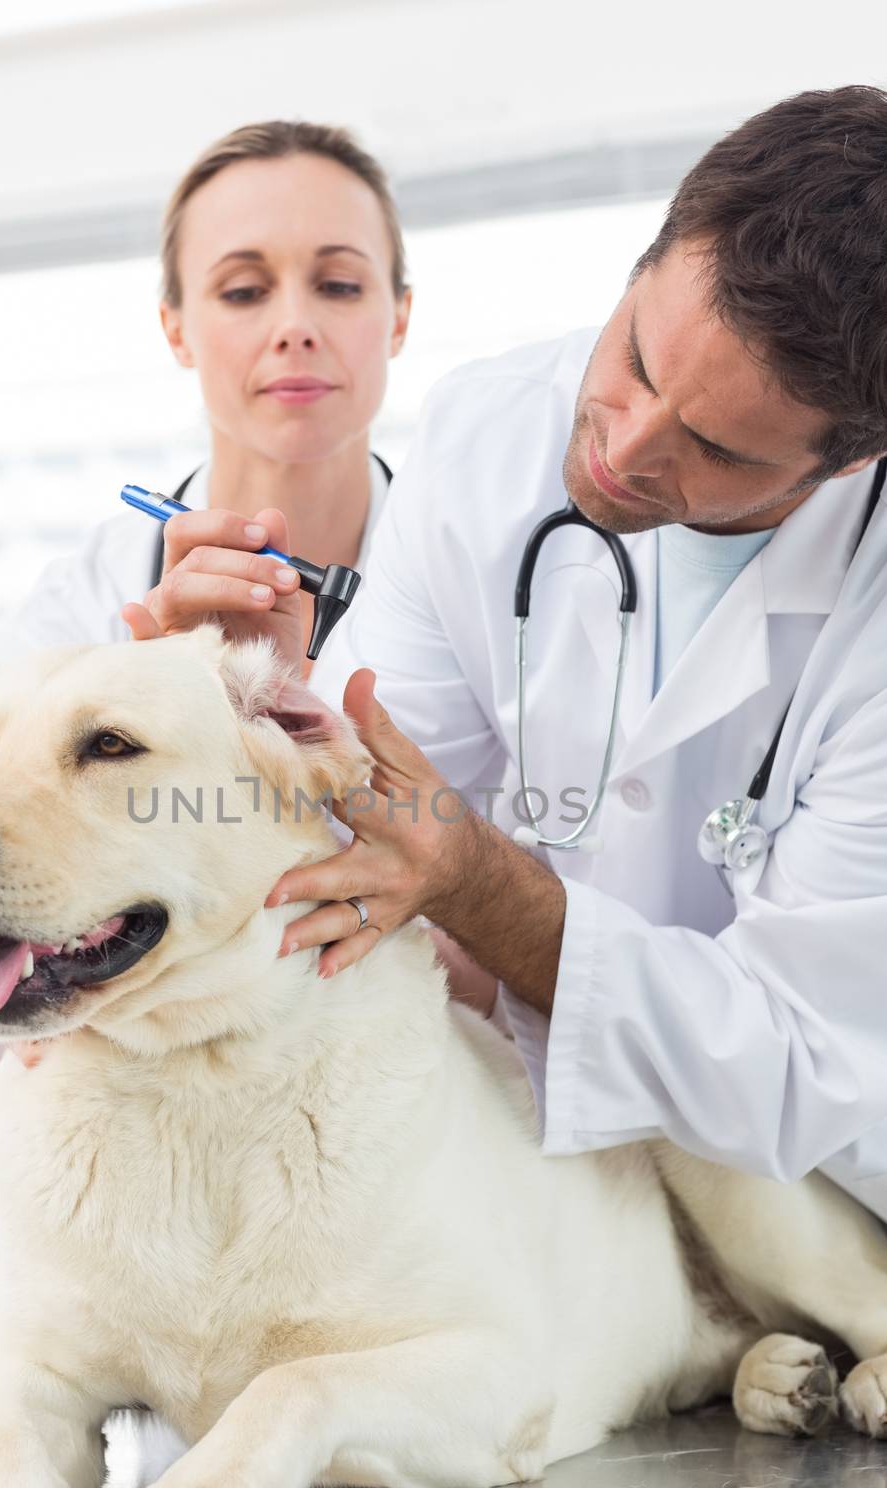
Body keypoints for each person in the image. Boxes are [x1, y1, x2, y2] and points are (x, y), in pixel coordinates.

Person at [131, 86, 887, 1223]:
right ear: (643, 262)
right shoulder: (488, 439)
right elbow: (353, 840)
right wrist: (248, 712)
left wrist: (479, 888)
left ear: (843, 465)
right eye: (633, 354)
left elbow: (801, 1065)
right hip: (558, 1200)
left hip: (831, 1213)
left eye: (714, 446)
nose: (622, 445)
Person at [0, 119, 412, 1155]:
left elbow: (548, 917)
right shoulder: (80, 607)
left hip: (399, 1133)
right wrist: (161, 692)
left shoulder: (487, 577)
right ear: (174, 327)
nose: (294, 326)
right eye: (243, 289)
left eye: (340, 286)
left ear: (398, 316)